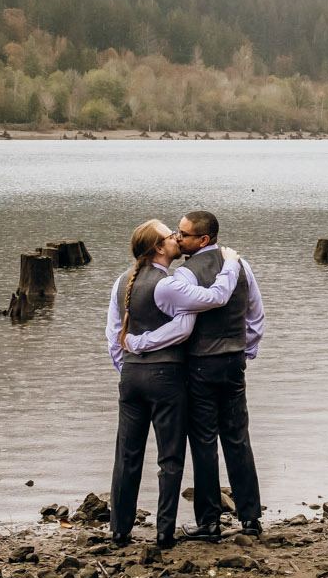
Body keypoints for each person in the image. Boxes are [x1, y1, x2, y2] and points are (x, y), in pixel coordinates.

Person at [103, 221, 245, 547]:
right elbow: (199, 314)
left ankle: (119, 530)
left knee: (126, 455)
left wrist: (127, 362)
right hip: (165, 377)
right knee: (170, 458)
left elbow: (113, 335)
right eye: (170, 236)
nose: (177, 239)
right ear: (157, 248)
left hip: (130, 378)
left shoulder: (121, 282)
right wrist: (232, 263)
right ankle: (164, 532)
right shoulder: (168, 285)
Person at [171, 209, 266, 540]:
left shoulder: (185, 274)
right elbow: (256, 314)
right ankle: (251, 518)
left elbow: (181, 327)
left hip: (200, 363)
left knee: (203, 441)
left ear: (203, 239)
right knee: (238, 438)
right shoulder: (241, 264)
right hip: (233, 361)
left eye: (182, 234)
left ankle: (209, 521)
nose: (177, 238)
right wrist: (245, 350)